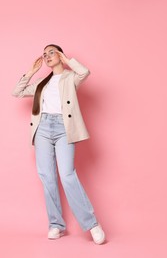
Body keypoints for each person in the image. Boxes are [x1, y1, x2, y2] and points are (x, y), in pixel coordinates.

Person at [12, 44, 105, 245]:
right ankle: (56, 224)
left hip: (64, 127)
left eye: (51, 52)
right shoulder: (41, 83)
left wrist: (67, 59)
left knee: (67, 174)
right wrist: (31, 71)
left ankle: (92, 224)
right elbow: (17, 92)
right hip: (43, 128)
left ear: (60, 54)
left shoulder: (70, 78)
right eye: (45, 54)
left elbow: (85, 72)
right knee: (47, 176)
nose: (47, 56)